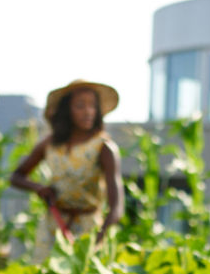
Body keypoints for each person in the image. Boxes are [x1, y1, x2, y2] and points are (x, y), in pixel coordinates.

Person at [9, 79, 124, 259]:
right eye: (80, 106)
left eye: (92, 106)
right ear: (66, 111)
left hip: (88, 229)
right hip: (53, 224)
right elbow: (16, 176)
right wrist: (39, 189)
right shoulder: (50, 144)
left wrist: (98, 239)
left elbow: (116, 207)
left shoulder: (104, 148)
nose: (88, 112)